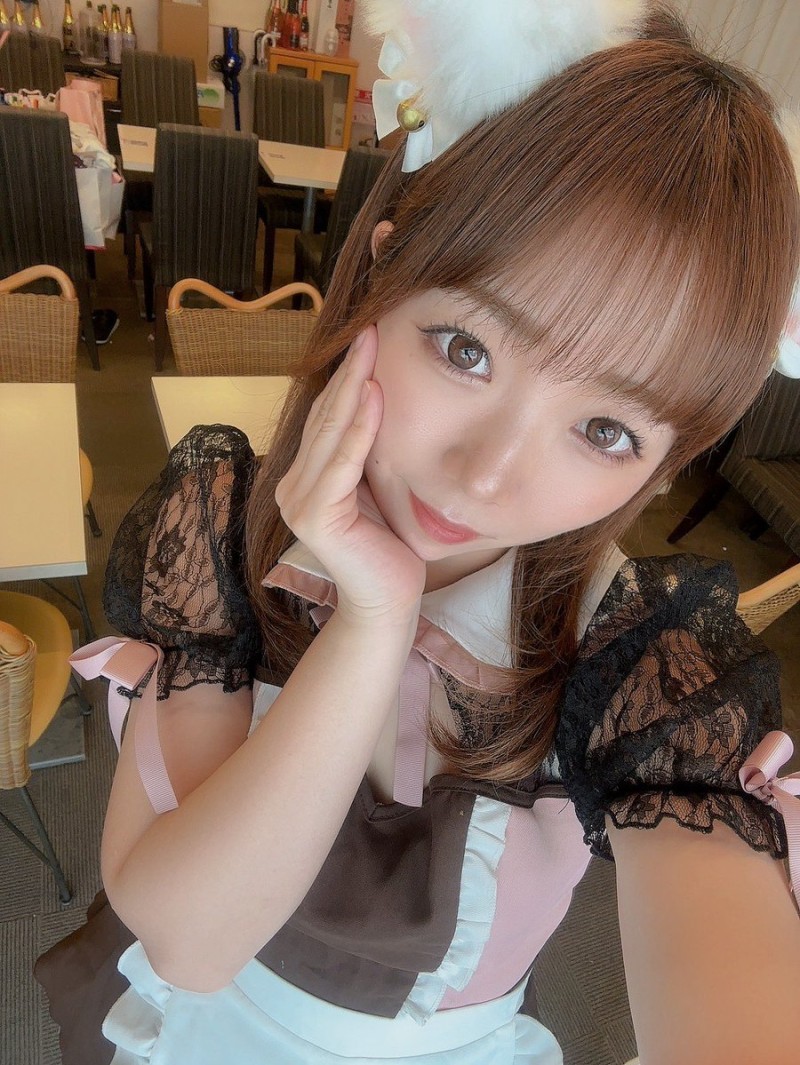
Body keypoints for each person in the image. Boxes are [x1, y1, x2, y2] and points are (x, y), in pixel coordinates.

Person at [37, 3, 800, 1063]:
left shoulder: (639, 665)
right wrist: (370, 622)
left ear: (667, 462)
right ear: (378, 279)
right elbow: (189, 941)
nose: (485, 476)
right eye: (465, 349)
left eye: (604, 431)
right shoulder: (221, 527)